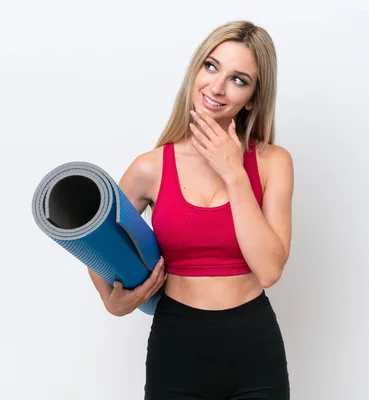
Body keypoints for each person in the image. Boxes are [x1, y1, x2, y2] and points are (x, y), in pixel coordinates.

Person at [88, 20, 294, 399]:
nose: (216, 87)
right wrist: (111, 299)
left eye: (238, 79)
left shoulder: (272, 162)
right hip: (176, 345)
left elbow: (269, 270)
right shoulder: (150, 167)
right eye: (211, 66)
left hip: (253, 348)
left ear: (252, 97)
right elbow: (99, 236)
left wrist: (234, 172)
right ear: (196, 69)